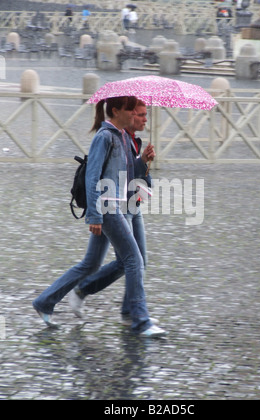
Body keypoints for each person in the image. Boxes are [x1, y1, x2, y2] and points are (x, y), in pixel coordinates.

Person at [33, 96, 166, 337]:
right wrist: (94, 216)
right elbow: (92, 177)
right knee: (134, 260)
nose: (134, 116)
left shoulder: (122, 136)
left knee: (92, 264)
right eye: (130, 111)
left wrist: (143, 161)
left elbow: (125, 175)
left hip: (119, 204)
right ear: (116, 111)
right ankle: (140, 320)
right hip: (108, 207)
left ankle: (44, 302)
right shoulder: (104, 137)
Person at [68, 100, 155, 325]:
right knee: (129, 260)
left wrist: (145, 162)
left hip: (132, 204)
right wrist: (96, 215)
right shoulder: (114, 138)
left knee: (132, 260)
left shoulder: (134, 141)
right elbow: (99, 177)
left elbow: (135, 175)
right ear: (129, 115)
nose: (145, 118)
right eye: (141, 114)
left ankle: (129, 311)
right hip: (116, 206)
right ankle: (130, 312)